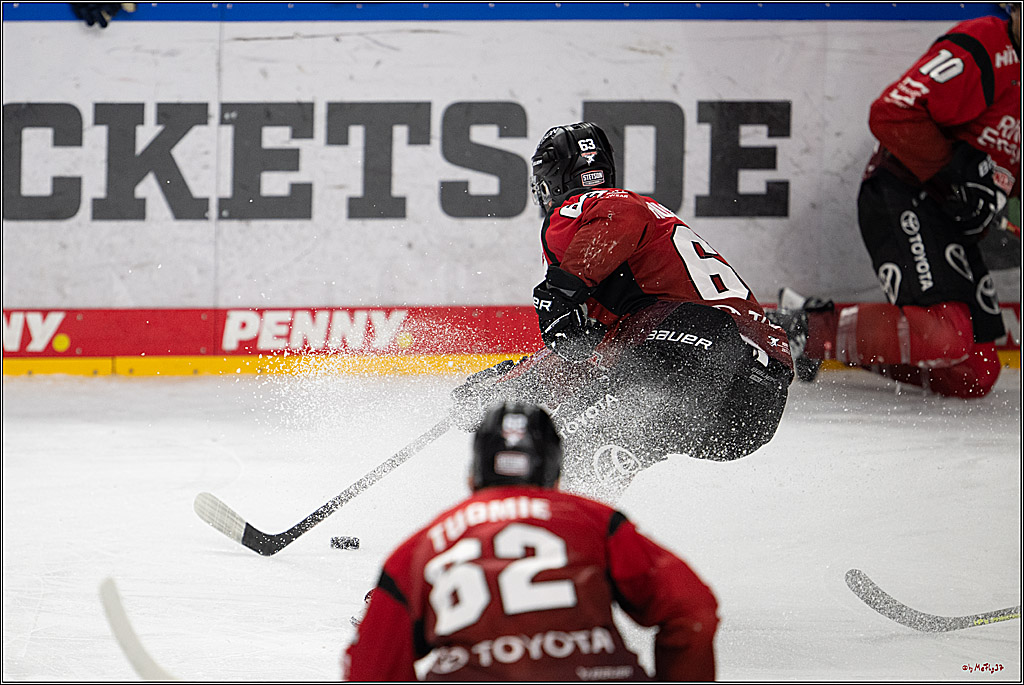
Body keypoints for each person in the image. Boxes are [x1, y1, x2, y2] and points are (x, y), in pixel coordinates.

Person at [452, 122, 795, 501]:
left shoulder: (590, 209)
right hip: (749, 412)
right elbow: (589, 350)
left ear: (548, 183)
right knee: (583, 452)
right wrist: (512, 388)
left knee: (577, 445)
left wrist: (562, 288)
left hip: (706, 352)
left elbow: (620, 215)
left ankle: (535, 535)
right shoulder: (636, 268)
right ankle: (577, 540)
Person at [343, 402, 719, 681]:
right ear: (555, 478)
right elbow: (694, 608)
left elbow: (369, 667)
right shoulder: (595, 521)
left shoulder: (420, 548)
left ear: (473, 478)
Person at [774, 5, 1020, 397]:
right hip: (904, 190)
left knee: (976, 371)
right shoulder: (985, 45)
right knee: (945, 335)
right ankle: (804, 328)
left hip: (953, 217)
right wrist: (959, 174)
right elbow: (892, 113)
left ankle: (816, 332)